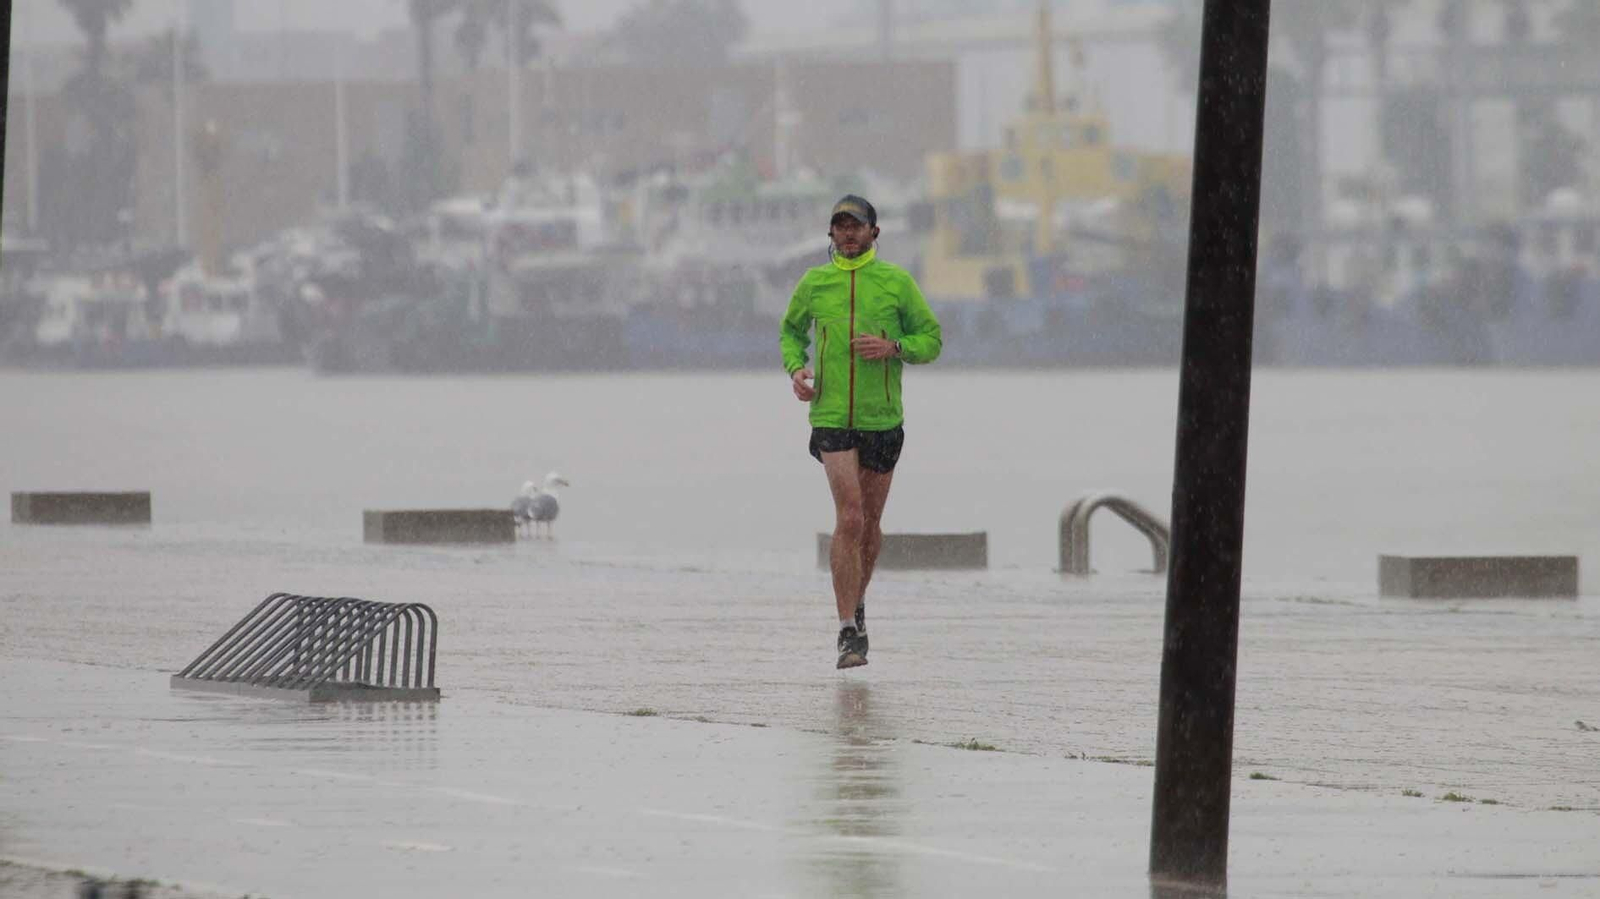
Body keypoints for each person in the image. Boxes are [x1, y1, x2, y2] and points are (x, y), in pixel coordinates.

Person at [779, 195, 943, 669]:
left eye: (856, 225)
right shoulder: (815, 282)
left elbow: (931, 340)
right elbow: (790, 332)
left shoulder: (896, 282)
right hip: (830, 416)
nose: (848, 233)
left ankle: (858, 601)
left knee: (869, 524)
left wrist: (894, 346)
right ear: (830, 235)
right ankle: (847, 630)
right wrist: (796, 369)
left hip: (882, 418)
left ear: (874, 232)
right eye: (839, 225)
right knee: (849, 517)